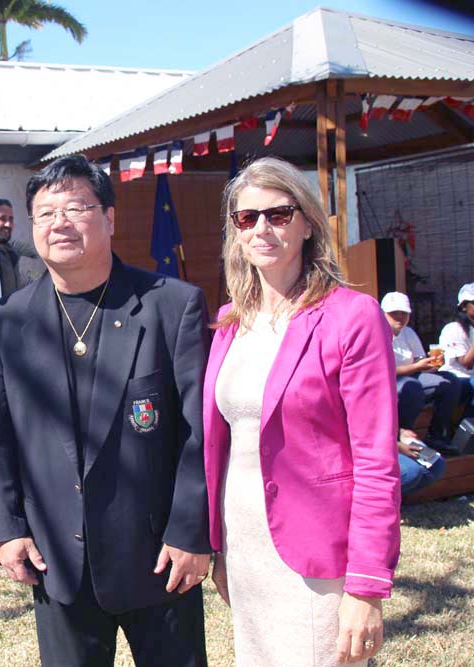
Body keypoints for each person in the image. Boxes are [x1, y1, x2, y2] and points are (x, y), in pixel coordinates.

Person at [0, 154, 211, 666]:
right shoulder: (7, 321)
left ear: (108, 218)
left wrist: (192, 532)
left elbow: (200, 431)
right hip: (57, 558)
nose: (59, 223)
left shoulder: (172, 306)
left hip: (158, 556)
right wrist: (10, 527)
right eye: (45, 213)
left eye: (76, 207)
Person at [204, 157, 401, 666]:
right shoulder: (230, 322)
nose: (261, 229)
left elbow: (377, 462)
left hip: (318, 556)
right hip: (245, 546)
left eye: (279, 214)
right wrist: (219, 549)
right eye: (247, 218)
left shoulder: (352, 318)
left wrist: (367, 586)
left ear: (308, 222)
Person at [381, 291, 462, 448]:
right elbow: (383, 370)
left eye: (403, 313)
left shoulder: (408, 332)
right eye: (393, 313)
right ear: (383, 314)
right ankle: (401, 432)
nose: (399, 317)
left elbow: (419, 360)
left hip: (413, 376)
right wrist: (417, 366)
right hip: (388, 382)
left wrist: (431, 364)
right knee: (412, 387)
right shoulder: (377, 333)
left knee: (450, 381)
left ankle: (437, 434)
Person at [438, 282, 474, 414]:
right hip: (458, 378)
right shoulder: (454, 329)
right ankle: (466, 428)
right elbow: (466, 364)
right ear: (464, 306)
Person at [397, 428, 446, 496]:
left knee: (437, 464)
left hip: (392, 439)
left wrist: (401, 431)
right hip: (380, 445)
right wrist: (396, 446)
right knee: (411, 472)